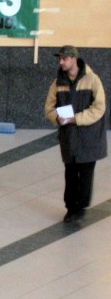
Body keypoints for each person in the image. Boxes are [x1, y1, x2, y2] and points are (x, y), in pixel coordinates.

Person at [44, 45, 107, 222]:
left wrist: (76, 118)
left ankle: (81, 207)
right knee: (70, 173)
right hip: (69, 137)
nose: (61, 62)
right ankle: (71, 207)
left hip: (89, 136)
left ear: (73, 59)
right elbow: (49, 108)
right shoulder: (57, 83)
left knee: (86, 172)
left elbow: (99, 107)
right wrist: (57, 118)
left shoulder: (92, 80)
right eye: (60, 59)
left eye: (64, 58)